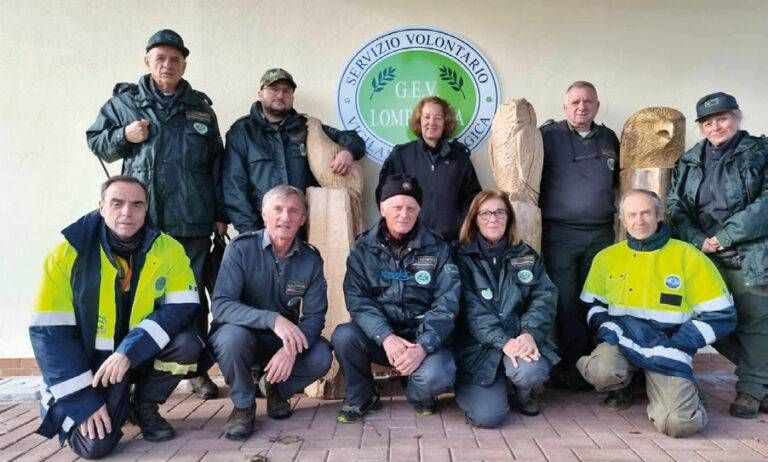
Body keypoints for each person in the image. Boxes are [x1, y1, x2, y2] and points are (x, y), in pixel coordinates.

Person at [86, 29, 225, 399]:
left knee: (191, 298)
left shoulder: (201, 108)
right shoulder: (123, 104)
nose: (167, 65)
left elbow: (217, 166)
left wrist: (220, 214)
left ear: (184, 65)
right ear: (147, 61)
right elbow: (96, 142)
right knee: (137, 296)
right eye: (160, 58)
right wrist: (123, 136)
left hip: (193, 221)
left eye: (175, 59)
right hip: (143, 224)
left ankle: (196, 371)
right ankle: (135, 366)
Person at [29, 176, 204, 459]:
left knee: (188, 345)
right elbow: (50, 335)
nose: (127, 212)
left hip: (135, 357)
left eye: (137, 204)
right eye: (117, 203)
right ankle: (88, 404)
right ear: (101, 206)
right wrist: (83, 401)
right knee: (95, 446)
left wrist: (129, 350)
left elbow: (183, 307)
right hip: (89, 367)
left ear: (146, 209)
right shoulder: (67, 253)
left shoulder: (168, 248)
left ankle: (143, 405)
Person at [577, 189, 735, 438]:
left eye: (646, 213)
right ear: (623, 220)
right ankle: (625, 386)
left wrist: (680, 342)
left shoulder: (688, 256)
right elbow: (592, 303)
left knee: (679, 425)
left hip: (668, 347)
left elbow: (721, 314)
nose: (639, 221)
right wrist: (609, 329)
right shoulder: (606, 257)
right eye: (632, 215)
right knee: (600, 370)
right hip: (623, 341)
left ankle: (687, 393)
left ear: (659, 215)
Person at [667, 92, 768, 419]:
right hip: (705, 255)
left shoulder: (760, 151)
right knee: (713, 320)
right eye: (708, 122)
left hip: (749, 252)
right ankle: (760, 380)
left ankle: (750, 391)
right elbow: (676, 206)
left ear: (736, 118)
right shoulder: (690, 160)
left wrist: (725, 237)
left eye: (722, 119)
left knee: (755, 322)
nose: (716, 127)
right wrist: (699, 241)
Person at [332, 174, 460, 423]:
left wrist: (423, 346)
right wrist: (386, 336)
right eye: (397, 207)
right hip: (382, 339)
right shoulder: (362, 250)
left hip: (423, 339)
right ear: (382, 208)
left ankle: (419, 393)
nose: (404, 214)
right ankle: (362, 396)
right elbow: (358, 300)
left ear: (419, 210)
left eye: (411, 208)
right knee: (344, 336)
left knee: (439, 373)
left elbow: (447, 303)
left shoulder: (439, 248)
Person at [210, 185, 332, 441]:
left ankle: (275, 389)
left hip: (281, 341)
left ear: (302, 219)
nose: (285, 217)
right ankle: (243, 406)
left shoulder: (310, 259)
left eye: (293, 211)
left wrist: (291, 350)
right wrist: (272, 319)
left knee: (321, 354)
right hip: (243, 336)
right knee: (231, 338)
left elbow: (314, 317)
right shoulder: (241, 249)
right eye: (278, 209)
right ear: (264, 215)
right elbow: (221, 305)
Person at [538, 81, 620, 389]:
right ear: (565, 107)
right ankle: (570, 368)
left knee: (598, 299)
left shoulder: (610, 138)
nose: (581, 107)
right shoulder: (548, 136)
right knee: (565, 301)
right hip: (561, 233)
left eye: (587, 101)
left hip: (601, 233)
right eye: (575, 102)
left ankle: (599, 364)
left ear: (597, 105)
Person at [453, 190, 559, 427]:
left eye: (500, 212)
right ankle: (493, 388)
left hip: (520, 339)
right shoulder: (461, 257)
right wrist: (503, 342)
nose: (493, 219)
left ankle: (523, 392)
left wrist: (529, 333)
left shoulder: (526, 255)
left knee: (530, 372)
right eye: (485, 213)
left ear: (509, 217)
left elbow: (544, 297)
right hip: (478, 348)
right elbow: (471, 311)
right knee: (488, 417)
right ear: (474, 219)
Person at [222, 68, 365, 233]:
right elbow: (234, 187)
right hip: (261, 229)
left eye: (286, 91)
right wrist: (252, 234)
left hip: (304, 229)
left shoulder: (307, 127)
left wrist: (348, 152)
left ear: (292, 97)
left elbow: (353, 139)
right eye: (274, 89)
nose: (280, 95)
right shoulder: (242, 132)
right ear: (260, 93)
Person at [376, 96, 481, 243]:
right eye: (426, 117)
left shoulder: (460, 159)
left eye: (438, 118)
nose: (431, 122)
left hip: (451, 245)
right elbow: (384, 197)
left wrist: (460, 227)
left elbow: (474, 200)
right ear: (419, 121)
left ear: (445, 123)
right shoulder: (401, 156)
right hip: (411, 245)